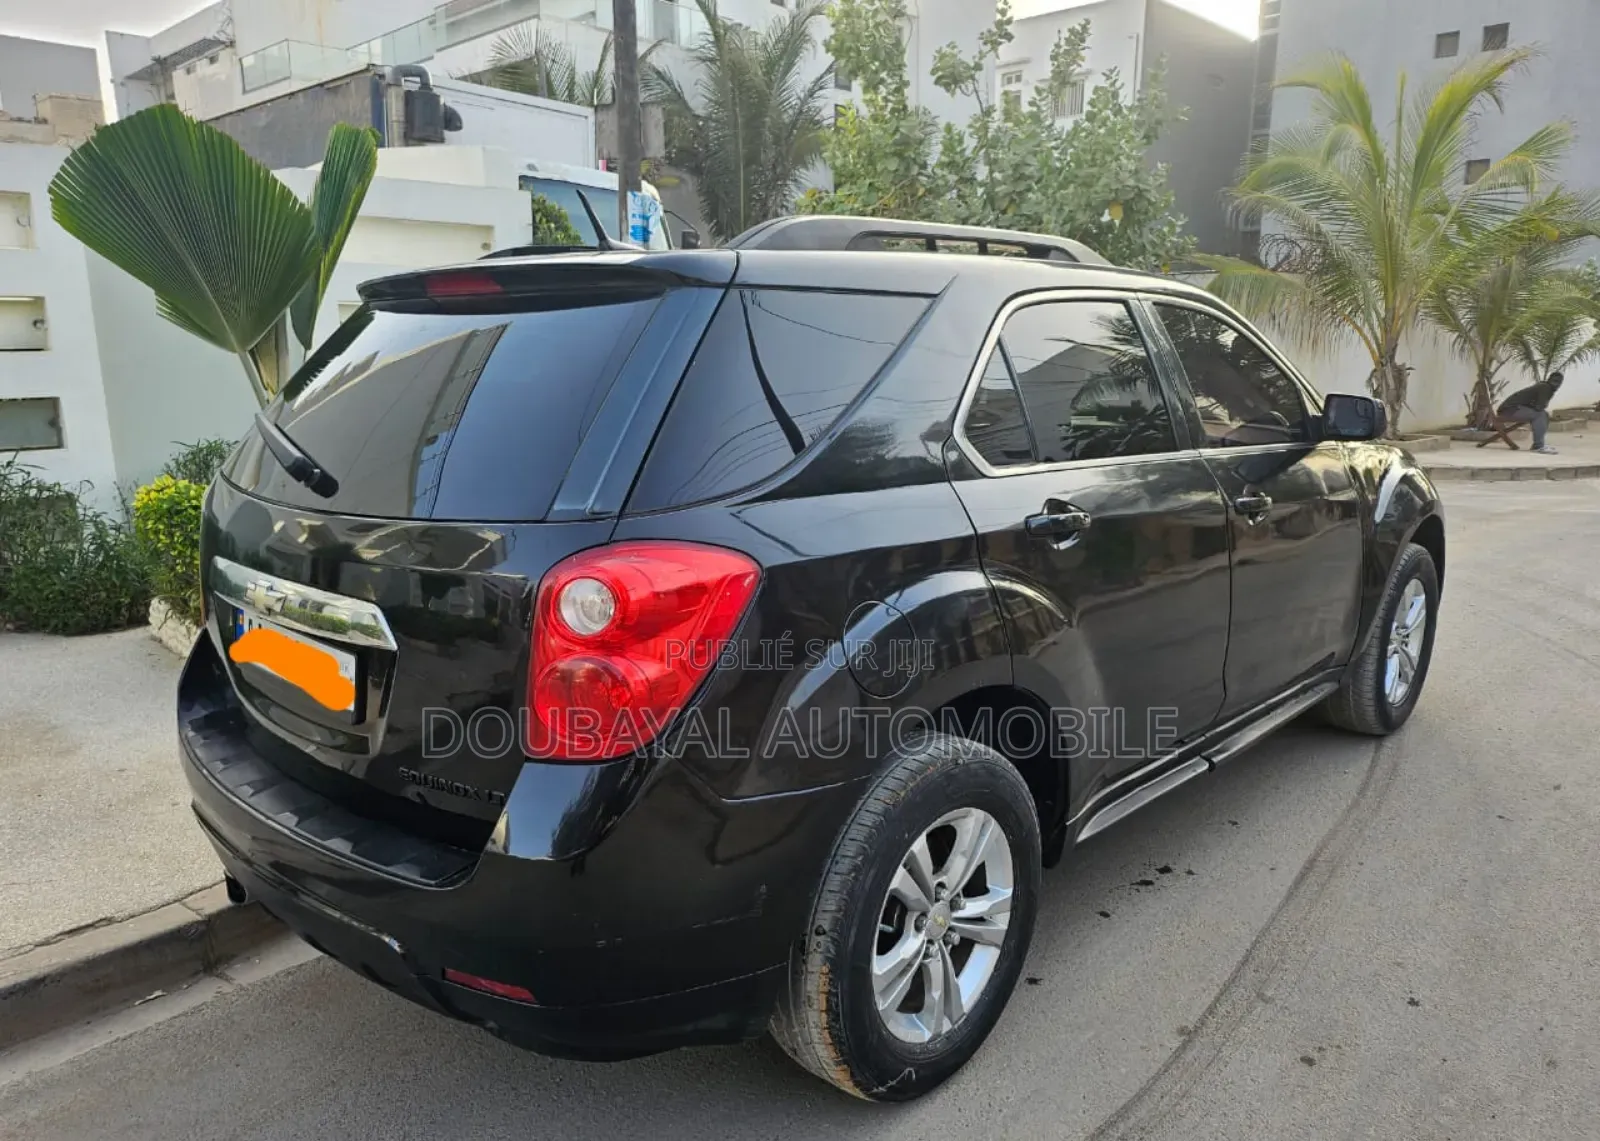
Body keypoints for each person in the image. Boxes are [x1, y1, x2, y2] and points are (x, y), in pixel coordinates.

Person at [1497, 371, 1565, 455]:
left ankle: (1539, 444)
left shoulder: (1544, 386)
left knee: (1544, 414)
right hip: (1509, 411)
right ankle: (1538, 446)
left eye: (1558, 382)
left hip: (1512, 409)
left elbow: (1537, 406)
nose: (1556, 384)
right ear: (1549, 380)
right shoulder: (1545, 387)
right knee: (1540, 415)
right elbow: (1539, 407)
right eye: (1554, 381)